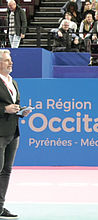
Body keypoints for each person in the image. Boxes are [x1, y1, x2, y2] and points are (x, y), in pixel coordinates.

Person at [0, 49, 32, 219]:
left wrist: (20, 111)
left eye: (10, 60)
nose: (10, 63)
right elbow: (5, 107)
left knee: (6, 171)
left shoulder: (14, 82)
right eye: (6, 60)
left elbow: (15, 105)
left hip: (13, 132)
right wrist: (4, 109)